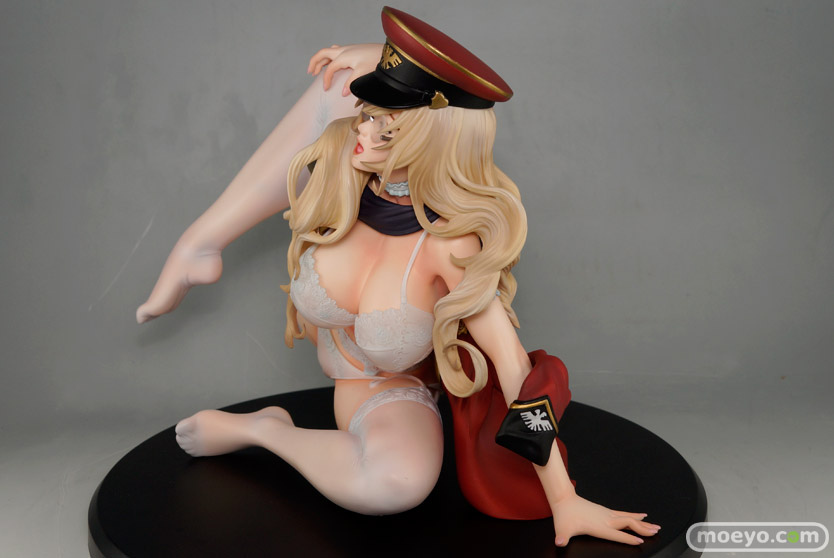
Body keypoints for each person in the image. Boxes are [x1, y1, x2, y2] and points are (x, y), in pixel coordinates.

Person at [137, 7, 660, 548]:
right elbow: (331, 102)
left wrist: (563, 497)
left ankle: (268, 433)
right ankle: (265, 419)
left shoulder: (449, 245)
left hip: (391, 394)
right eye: (365, 114)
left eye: (382, 124)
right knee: (343, 93)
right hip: (348, 384)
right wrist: (196, 244)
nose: (361, 129)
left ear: (424, 140)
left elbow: (514, 371)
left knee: (394, 485)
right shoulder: (348, 169)